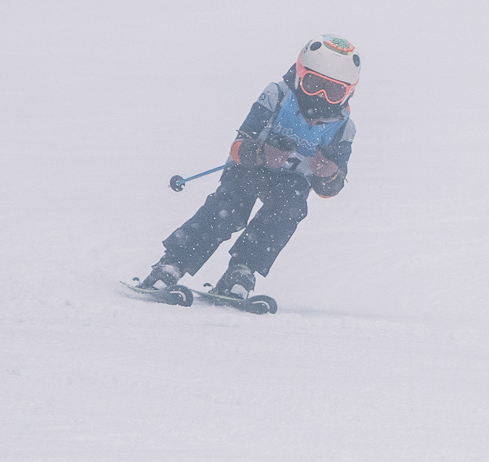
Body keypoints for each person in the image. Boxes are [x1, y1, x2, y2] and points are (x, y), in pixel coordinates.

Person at [142, 35, 359, 299]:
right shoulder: (277, 95)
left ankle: (242, 270)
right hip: (250, 170)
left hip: (292, 182)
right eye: (313, 85)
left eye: (333, 92)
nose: (320, 97)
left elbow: (331, 188)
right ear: (300, 75)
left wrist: (328, 174)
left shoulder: (343, 129)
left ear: (349, 92)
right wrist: (261, 152)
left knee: (288, 209)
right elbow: (238, 147)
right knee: (228, 206)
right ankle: (172, 264)